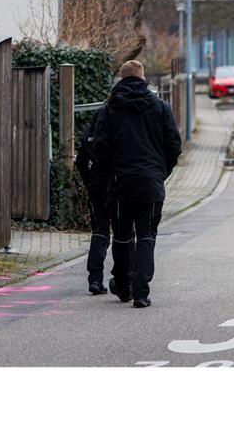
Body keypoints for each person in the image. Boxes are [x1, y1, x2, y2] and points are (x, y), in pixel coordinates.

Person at [91, 59, 183, 308]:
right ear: (143, 80)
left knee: (121, 237)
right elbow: (174, 145)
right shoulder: (160, 107)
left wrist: (110, 174)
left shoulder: (109, 109)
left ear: (120, 80)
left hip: (120, 184)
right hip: (150, 183)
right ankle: (141, 292)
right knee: (146, 236)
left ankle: (123, 286)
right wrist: (160, 172)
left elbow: (99, 146)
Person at [74, 107, 114, 295]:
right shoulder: (118, 127)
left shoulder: (92, 130)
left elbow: (81, 160)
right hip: (116, 184)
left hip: (97, 185)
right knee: (124, 232)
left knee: (100, 231)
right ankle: (123, 276)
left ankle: (95, 278)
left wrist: (89, 181)